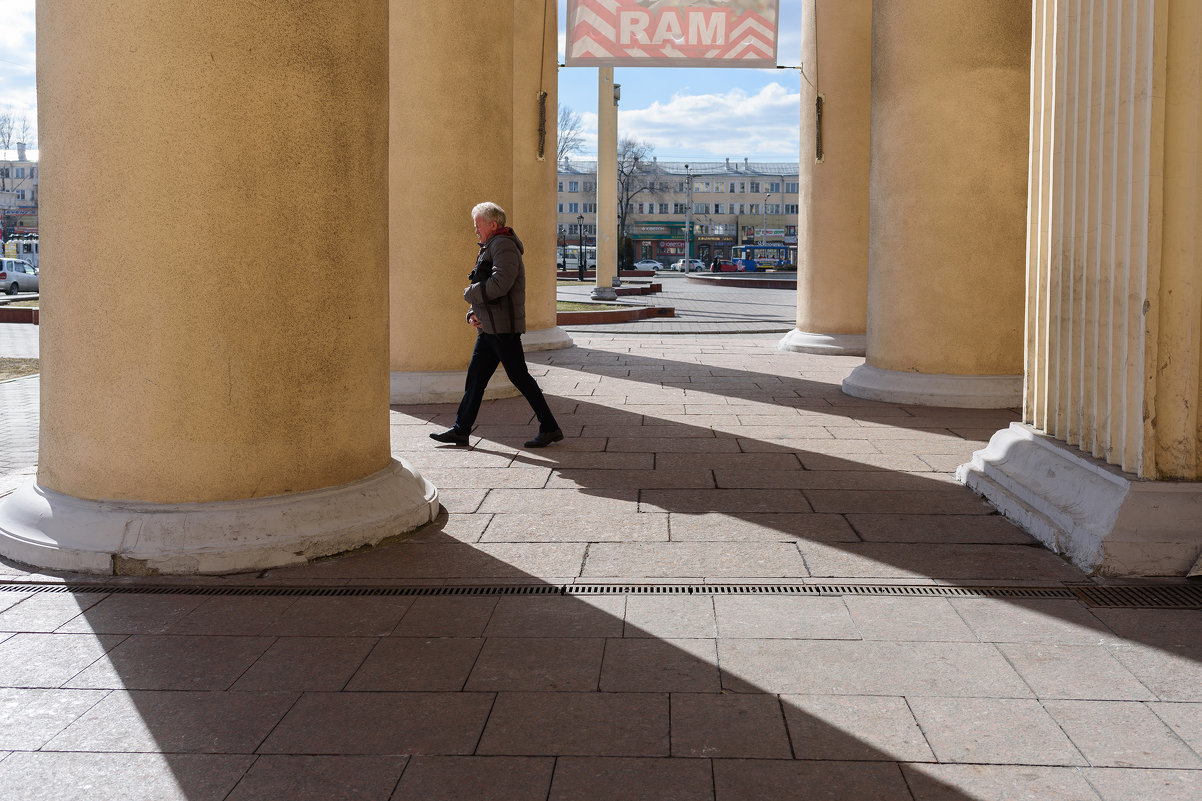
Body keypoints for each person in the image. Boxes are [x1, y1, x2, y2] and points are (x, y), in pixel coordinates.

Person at [430, 202, 564, 448]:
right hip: (490, 328)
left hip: (502, 329)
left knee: (519, 377)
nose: (475, 230)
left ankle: (550, 427)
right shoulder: (491, 245)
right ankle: (461, 430)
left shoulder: (503, 245)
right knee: (476, 379)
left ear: (492, 224)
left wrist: (469, 295)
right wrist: (473, 313)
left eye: (478, 225)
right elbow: (485, 283)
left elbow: (500, 283)